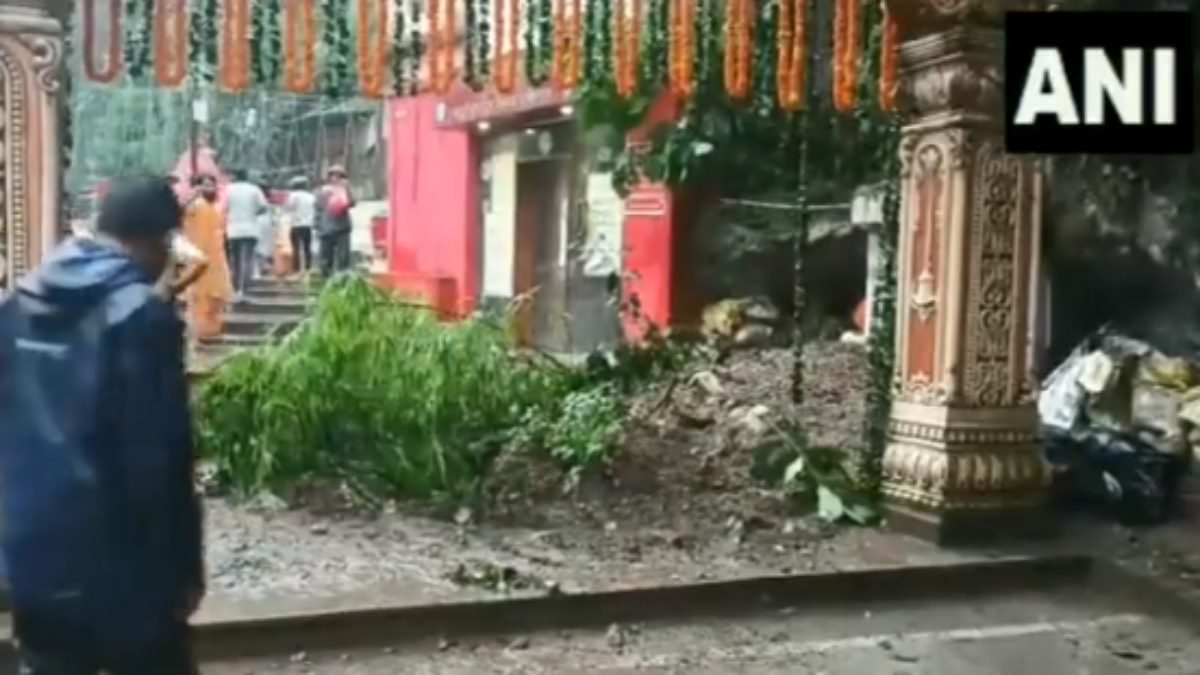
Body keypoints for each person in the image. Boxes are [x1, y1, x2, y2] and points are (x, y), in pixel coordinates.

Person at [0, 176, 204, 674]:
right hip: (122, 567)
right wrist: (183, 569)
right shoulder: (141, 317)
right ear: (162, 240)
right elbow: (158, 458)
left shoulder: (17, 305)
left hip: (33, 558)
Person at [182, 174, 233, 341]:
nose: (209, 188)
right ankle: (198, 333)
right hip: (197, 256)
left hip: (216, 257)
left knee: (216, 296)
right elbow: (179, 211)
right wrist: (192, 196)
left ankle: (212, 331)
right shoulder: (194, 206)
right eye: (205, 185)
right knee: (199, 296)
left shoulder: (217, 206)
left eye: (212, 185)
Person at [224, 169, 268, 299]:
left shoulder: (228, 189)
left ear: (234, 176)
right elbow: (263, 207)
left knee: (234, 260)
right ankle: (244, 289)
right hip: (250, 229)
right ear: (246, 176)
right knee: (246, 259)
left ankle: (235, 287)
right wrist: (254, 213)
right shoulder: (254, 189)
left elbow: (223, 206)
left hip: (232, 229)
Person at [315, 165, 355, 277]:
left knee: (343, 258)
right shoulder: (323, 191)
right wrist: (317, 226)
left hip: (342, 228)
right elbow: (318, 208)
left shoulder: (345, 190)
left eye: (339, 176)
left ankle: (342, 281)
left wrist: (346, 189)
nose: (335, 178)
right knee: (325, 259)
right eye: (333, 175)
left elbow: (352, 202)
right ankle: (326, 281)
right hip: (326, 228)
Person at [286, 175, 316, 275]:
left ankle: (297, 268)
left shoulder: (293, 195)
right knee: (307, 247)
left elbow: (289, 208)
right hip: (308, 225)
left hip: (296, 224)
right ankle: (308, 267)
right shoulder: (311, 196)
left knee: (296, 248)